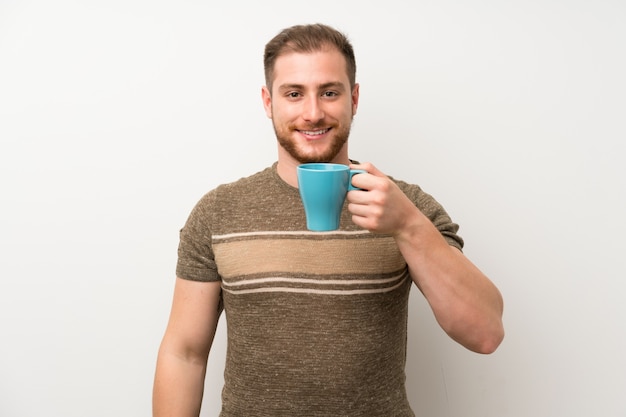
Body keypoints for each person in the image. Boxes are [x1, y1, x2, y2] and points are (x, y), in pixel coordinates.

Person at [153, 23, 504, 417]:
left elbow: (486, 333)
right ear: (269, 102)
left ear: (354, 98)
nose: (313, 112)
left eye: (330, 92)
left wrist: (408, 225)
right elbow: (184, 354)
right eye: (294, 94)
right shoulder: (218, 211)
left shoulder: (406, 205)